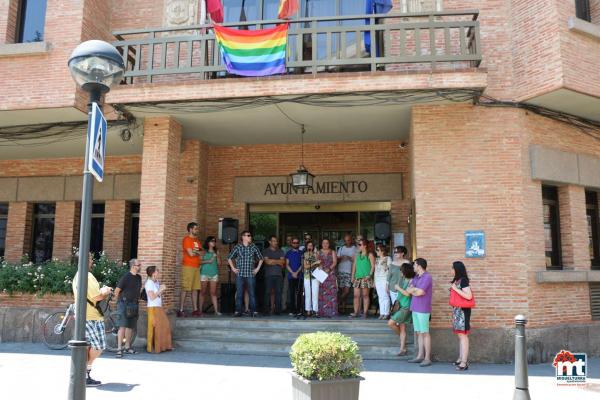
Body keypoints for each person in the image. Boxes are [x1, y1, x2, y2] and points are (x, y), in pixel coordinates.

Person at [72, 253, 113, 387]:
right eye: (89, 258)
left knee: (87, 346)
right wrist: (106, 290)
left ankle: (84, 375)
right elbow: (97, 296)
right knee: (99, 345)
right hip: (92, 317)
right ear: (84, 260)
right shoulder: (87, 276)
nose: (92, 260)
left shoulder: (78, 275)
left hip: (84, 315)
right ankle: (84, 371)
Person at [228, 230, 264, 317]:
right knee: (239, 293)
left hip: (250, 274)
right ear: (243, 237)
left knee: (252, 293)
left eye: (250, 235)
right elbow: (229, 258)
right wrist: (233, 268)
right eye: (248, 235)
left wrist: (257, 269)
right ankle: (238, 311)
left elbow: (261, 258)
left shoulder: (253, 247)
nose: (250, 237)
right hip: (240, 274)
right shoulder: (237, 247)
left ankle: (254, 311)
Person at [407, 258, 433, 367]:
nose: (413, 267)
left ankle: (427, 358)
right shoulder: (416, 277)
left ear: (419, 266)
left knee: (425, 333)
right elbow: (408, 290)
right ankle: (420, 356)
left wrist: (414, 290)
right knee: (418, 333)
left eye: (414, 265)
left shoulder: (427, 277)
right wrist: (414, 290)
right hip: (415, 308)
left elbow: (421, 292)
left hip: (423, 309)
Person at [114, 258, 142, 358]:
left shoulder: (139, 277)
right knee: (122, 326)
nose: (140, 266)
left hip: (134, 305)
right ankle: (119, 349)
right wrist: (119, 302)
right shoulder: (126, 277)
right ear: (133, 266)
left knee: (130, 326)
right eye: (138, 265)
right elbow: (117, 291)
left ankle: (127, 347)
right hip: (124, 304)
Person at [388, 262, 416, 356]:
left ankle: (403, 341)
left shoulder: (412, 281)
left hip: (405, 307)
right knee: (402, 328)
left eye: (401, 270)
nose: (400, 272)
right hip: (400, 305)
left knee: (391, 323)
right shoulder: (403, 279)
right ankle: (403, 349)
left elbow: (408, 294)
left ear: (405, 271)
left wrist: (398, 288)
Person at [450, 261, 473, 371]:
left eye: (452, 268)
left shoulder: (463, 281)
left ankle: (464, 362)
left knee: (463, 336)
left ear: (457, 269)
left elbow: (469, 296)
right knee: (460, 335)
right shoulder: (457, 280)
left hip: (463, 312)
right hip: (457, 311)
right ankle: (460, 358)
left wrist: (455, 289)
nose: (451, 270)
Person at [145, 265, 173, 353]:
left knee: (164, 325)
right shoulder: (149, 283)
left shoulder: (155, 282)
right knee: (153, 328)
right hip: (152, 308)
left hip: (158, 307)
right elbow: (152, 297)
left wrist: (160, 289)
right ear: (153, 273)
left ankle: (162, 346)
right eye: (157, 271)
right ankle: (151, 348)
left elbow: (157, 295)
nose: (159, 272)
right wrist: (161, 290)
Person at [178, 222, 203, 317]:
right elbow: (190, 254)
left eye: (197, 228)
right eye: (195, 228)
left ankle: (195, 310)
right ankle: (181, 310)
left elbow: (202, 252)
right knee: (185, 288)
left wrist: (195, 252)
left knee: (195, 289)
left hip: (196, 267)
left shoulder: (197, 240)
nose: (197, 230)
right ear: (190, 229)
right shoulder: (186, 239)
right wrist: (197, 252)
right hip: (188, 266)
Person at [351, 238, 375, 318]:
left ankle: (365, 313)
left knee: (365, 295)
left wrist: (369, 276)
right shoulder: (357, 255)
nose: (358, 246)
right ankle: (356, 312)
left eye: (360, 244)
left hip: (366, 278)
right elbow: (354, 266)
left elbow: (373, 266)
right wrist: (352, 276)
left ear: (365, 246)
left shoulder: (370, 255)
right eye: (358, 245)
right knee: (356, 296)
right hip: (357, 277)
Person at [262, 235, 286, 315]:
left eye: (276, 241)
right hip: (268, 275)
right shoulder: (266, 251)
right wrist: (278, 261)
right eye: (274, 241)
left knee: (278, 293)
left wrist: (272, 261)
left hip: (279, 275)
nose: (276, 242)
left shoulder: (280, 251)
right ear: (270, 242)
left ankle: (277, 311)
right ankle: (266, 310)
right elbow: (267, 262)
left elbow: (283, 262)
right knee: (267, 293)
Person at [200, 236, 221, 316]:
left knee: (213, 293)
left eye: (214, 241)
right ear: (208, 242)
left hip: (214, 274)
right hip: (204, 273)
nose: (214, 242)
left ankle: (216, 311)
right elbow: (199, 262)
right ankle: (200, 311)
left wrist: (218, 256)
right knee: (203, 292)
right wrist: (209, 260)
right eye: (212, 241)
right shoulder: (204, 251)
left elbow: (219, 264)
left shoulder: (216, 251)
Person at [317, 238, 338, 318]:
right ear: (321, 244)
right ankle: (322, 312)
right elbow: (317, 262)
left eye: (327, 243)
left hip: (331, 274)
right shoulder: (318, 252)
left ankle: (332, 312)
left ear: (329, 244)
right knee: (321, 293)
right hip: (321, 274)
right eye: (323, 243)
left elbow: (335, 262)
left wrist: (329, 269)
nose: (325, 244)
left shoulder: (332, 252)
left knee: (332, 293)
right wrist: (321, 268)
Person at [336, 234, 356, 314]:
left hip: (349, 271)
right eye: (345, 240)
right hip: (341, 271)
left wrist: (349, 258)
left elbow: (356, 260)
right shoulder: (341, 249)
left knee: (347, 291)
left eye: (348, 240)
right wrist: (340, 258)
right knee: (341, 290)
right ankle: (343, 307)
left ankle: (337, 303)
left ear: (351, 240)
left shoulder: (355, 248)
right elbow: (336, 260)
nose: (347, 242)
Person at [285, 237, 303, 316]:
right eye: (294, 243)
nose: (295, 244)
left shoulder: (301, 253)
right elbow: (287, 264)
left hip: (300, 276)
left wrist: (297, 272)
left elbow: (302, 264)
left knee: (299, 294)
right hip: (291, 275)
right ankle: (292, 310)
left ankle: (298, 310)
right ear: (291, 243)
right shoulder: (288, 253)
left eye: (297, 243)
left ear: (299, 244)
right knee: (291, 293)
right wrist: (293, 273)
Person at [374, 244, 392, 319]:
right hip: (378, 280)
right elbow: (375, 271)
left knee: (385, 296)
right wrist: (374, 281)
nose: (376, 251)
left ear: (383, 251)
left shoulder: (388, 258)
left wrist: (388, 282)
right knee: (380, 297)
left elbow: (390, 270)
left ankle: (386, 313)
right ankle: (381, 313)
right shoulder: (377, 259)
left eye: (378, 250)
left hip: (384, 279)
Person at [302, 241, 319, 316]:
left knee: (315, 294)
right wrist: (314, 263)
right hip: (307, 276)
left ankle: (315, 310)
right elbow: (305, 266)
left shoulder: (316, 254)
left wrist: (316, 255)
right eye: (309, 245)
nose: (310, 247)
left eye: (311, 245)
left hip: (315, 276)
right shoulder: (304, 255)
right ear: (306, 246)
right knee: (308, 294)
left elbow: (319, 264)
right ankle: (308, 310)